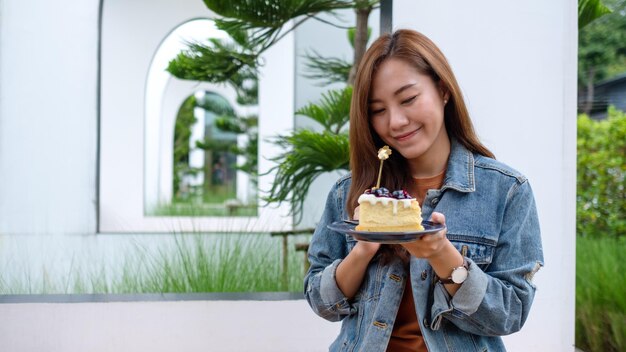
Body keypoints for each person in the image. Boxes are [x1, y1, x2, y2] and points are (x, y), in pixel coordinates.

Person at [304, 29, 544, 352]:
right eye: (378, 110)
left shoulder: (507, 192)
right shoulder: (351, 192)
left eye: (408, 99)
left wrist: (441, 254)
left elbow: (512, 312)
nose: (396, 121)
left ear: (443, 90)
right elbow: (320, 300)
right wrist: (362, 249)